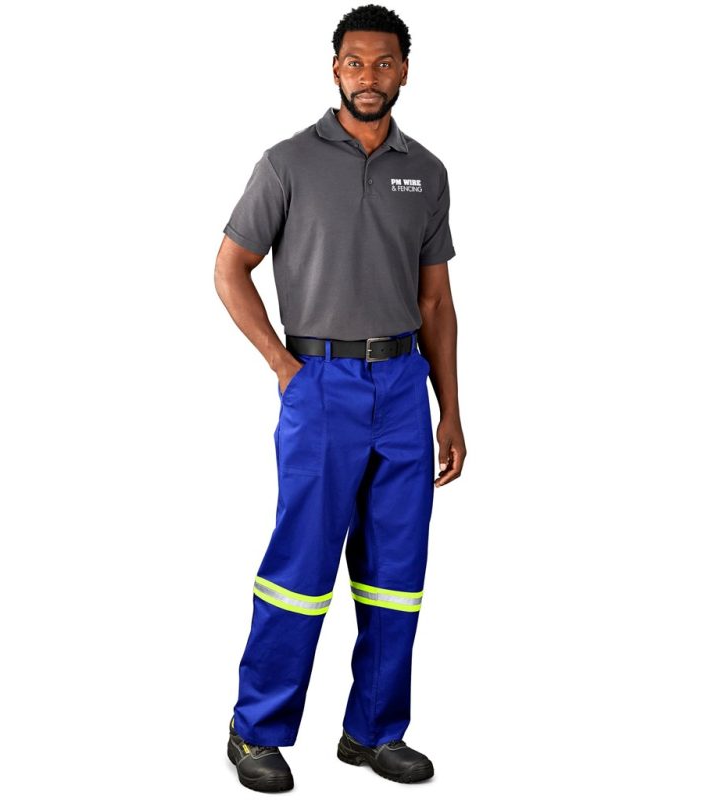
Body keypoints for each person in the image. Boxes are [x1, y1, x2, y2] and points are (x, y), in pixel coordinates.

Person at [214, 4, 466, 792]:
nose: (369, 75)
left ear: (404, 71)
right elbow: (229, 269)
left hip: (403, 387)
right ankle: (256, 731)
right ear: (335, 69)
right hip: (320, 382)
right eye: (355, 62)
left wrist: (451, 409)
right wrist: (282, 365)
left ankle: (374, 731)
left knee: (397, 570)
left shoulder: (426, 172)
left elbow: (436, 303)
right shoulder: (287, 162)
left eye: (384, 62)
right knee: (301, 565)